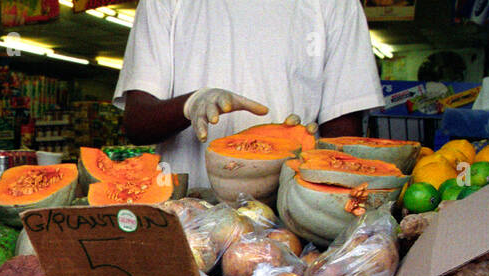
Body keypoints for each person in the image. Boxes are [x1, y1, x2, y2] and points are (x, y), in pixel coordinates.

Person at [114, 0, 386, 193]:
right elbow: (137, 123)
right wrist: (190, 104)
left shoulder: (338, 4)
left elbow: (342, 136)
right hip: (186, 208)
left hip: (290, 216)